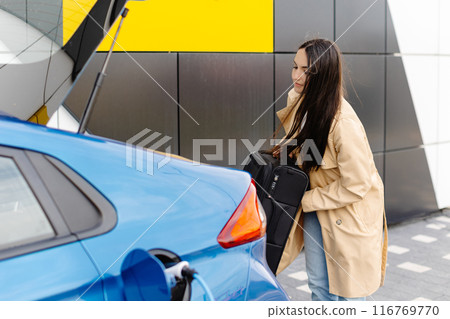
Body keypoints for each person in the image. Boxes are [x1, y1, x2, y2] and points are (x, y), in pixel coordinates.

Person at [271, 39, 388, 301]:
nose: (296, 76)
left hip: (348, 215)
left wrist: (305, 199)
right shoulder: (303, 105)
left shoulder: (343, 123)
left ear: (323, 76)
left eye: (306, 70)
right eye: (295, 67)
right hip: (319, 209)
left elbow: (356, 184)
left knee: (347, 295)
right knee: (320, 288)